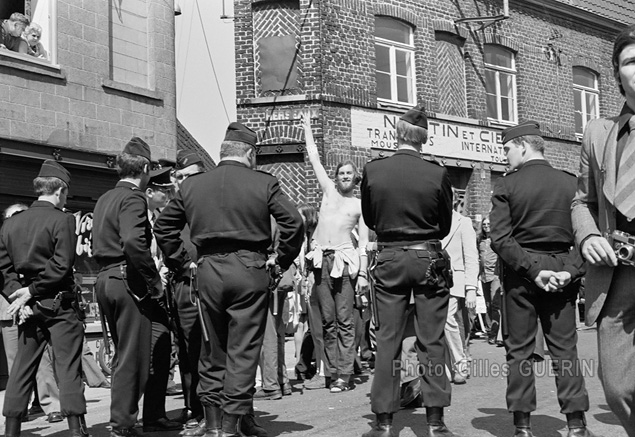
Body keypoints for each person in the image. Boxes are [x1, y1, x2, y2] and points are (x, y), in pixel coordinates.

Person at [155, 122, 304, 437]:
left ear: (223, 152)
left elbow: (164, 227)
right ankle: (230, 426)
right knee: (243, 350)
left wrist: (182, 263)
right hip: (250, 267)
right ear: (249, 153)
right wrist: (282, 260)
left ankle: (212, 425)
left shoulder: (193, 185)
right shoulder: (263, 183)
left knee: (212, 350)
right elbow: (293, 222)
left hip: (207, 268)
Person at [490, 121, 595, 437]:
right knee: (565, 350)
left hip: (522, 274)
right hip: (561, 270)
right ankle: (576, 426)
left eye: (507, 149)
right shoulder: (569, 184)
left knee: (519, 351)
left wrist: (533, 270)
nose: (505, 155)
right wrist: (570, 270)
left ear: (522, 145)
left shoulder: (506, 186)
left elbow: (499, 238)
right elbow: (587, 234)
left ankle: (522, 428)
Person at [360, 105, 456, 437]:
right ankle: (435, 421)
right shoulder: (437, 173)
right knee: (431, 339)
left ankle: (384, 422)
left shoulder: (373, 171)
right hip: (427, 256)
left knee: (387, 338)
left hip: (388, 255)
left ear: (396, 134)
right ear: (423, 138)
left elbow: (371, 219)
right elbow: (444, 224)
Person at [571, 24, 635, 437]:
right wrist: (590, 235)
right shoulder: (598, 133)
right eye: (631, 61)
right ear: (617, 74)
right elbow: (582, 201)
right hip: (617, 274)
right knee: (617, 387)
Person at [92, 137, 179, 437]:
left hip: (108, 277)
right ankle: (123, 425)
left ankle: (152, 415)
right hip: (127, 278)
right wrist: (154, 281)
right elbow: (132, 242)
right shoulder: (133, 198)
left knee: (158, 337)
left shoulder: (105, 198)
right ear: (143, 168)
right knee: (131, 356)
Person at [0, 160, 88, 437]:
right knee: (69, 368)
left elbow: (3, 269)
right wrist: (31, 292)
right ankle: (76, 430)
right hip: (57, 304)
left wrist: (20, 296)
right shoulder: (63, 219)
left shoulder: (11, 224)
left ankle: (12, 429)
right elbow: (61, 265)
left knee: (21, 370)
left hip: (27, 307)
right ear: (60, 190)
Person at [301, 114, 369, 394]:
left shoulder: (359, 206)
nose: (344, 177)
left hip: (344, 263)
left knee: (344, 319)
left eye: (348, 174)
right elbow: (315, 158)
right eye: (341, 173)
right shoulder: (328, 191)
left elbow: (363, 242)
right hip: (321, 261)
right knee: (326, 319)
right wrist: (307, 129)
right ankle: (330, 371)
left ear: (355, 178)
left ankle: (344, 372)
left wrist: (363, 274)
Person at [163, 150, 205, 435]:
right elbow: (163, 232)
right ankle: (195, 407)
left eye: (189, 176)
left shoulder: (209, 203)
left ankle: (220, 411)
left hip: (207, 282)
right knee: (189, 351)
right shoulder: (176, 207)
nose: (184, 182)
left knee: (208, 350)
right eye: (180, 177)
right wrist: (181, 261)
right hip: (184, 283)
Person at [142, 167, 182, 431]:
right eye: (164, 191)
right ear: (150, 191)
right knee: (144, 353)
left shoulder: (157, 216)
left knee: (162, 348)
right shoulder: (138, 215)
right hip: (143, 292)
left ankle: (154, 415)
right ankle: (129, 418)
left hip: (159, 291)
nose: (168, 195)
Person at [441, 194, 478, 385]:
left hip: (455, 280)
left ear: (454, 199)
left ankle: (460, 362)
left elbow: (471, 256)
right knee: (437, 324)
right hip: (432, 280)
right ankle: (446, 367)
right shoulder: (431, 221)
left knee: (448, 318)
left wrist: (471, 288)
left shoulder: (463, 222)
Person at [478, 216, 502, 346]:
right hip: (484, 276)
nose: (486, 226)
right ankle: (489, 331)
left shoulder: (496, 239)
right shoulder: (480, 240)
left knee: (495, 304)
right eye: (484, 224)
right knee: (487, 304)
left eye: (488, 223)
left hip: (495, 275)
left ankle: (494, 333)